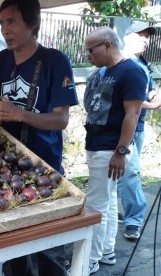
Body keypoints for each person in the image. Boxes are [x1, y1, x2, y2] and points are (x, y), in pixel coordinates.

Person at [0, 0, 78, 275]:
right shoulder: (1, 60)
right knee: (13, 257)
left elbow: (61, 120)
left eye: (12, 22)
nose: (5, 29)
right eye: (2, 22)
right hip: (5, 171)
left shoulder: (55, 61)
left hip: (44, 170)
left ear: (33, 24)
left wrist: (19, 114)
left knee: (48, 255)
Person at [82, 26, 146, 274]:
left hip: (109, 148)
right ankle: (106, 251)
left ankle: (90, 258)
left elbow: (133, 114)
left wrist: (121, 152)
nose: (88, 55)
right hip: (97, 144)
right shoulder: (104, 71)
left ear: (107, 44)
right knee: (107, 203)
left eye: (91, 49)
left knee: (96, 205)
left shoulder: (131, 71)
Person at [118, 22, 161, 241]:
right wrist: (150, 104)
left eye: (147, 36)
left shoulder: (143, 65)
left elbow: (148, 93)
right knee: (131, 171)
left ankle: (121, 212)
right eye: (140, 35)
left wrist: (154, 97)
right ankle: (134, 220)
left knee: (124, 172)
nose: (145, 39)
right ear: (126, 37)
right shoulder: (119, 63)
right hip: (125, 127)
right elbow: (121, 99)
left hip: (140, 127)